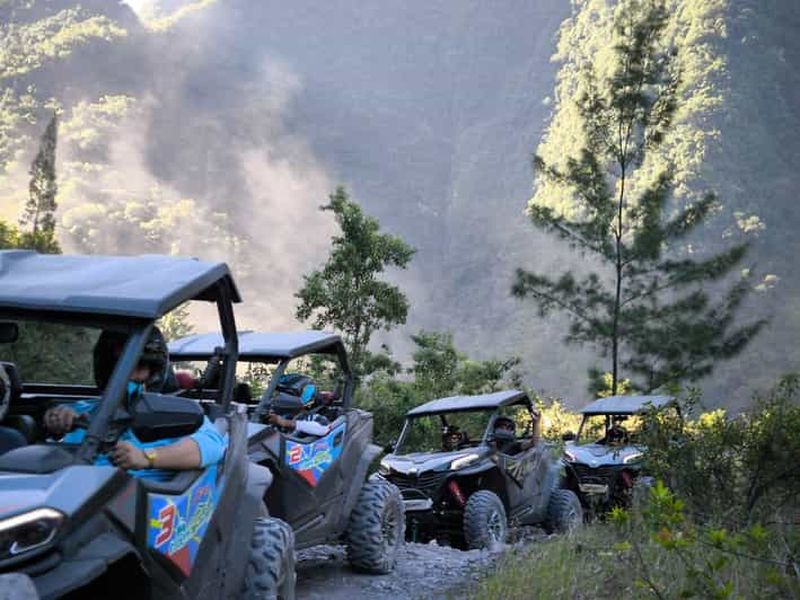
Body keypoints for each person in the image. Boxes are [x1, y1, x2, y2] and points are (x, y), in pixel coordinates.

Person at [42, 327, 226, 481]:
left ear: (153, 373)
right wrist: (56, 426)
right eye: (120, 367)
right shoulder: (81, 411)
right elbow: (45, 449)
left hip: (143, 510)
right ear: (106, 370)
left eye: (138, 367)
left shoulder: (172, 414)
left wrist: (146, 457)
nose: (127, 376)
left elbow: (211, 446)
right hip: (77, 502)